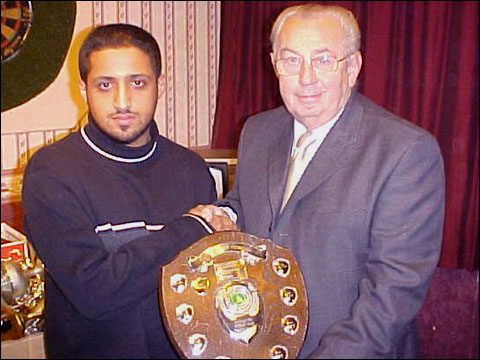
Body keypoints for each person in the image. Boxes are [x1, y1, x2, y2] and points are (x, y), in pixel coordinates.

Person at [190, 4, 445, 358]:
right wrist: (225, 216)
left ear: (352, 67)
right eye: (292, 60)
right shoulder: (258, 131)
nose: (306, 77)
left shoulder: (404, 151)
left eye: (323, 60)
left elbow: (393, 295)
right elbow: (243, 203)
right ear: (275, 64)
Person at [22, 24, 235, 359]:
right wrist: (190, 228)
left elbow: (205, 283)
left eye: (138, 83)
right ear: (83, 89)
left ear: (159, 86)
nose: (122, 102)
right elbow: (93, 292)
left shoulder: (190, 169)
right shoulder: (50, 172)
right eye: (105, 85)